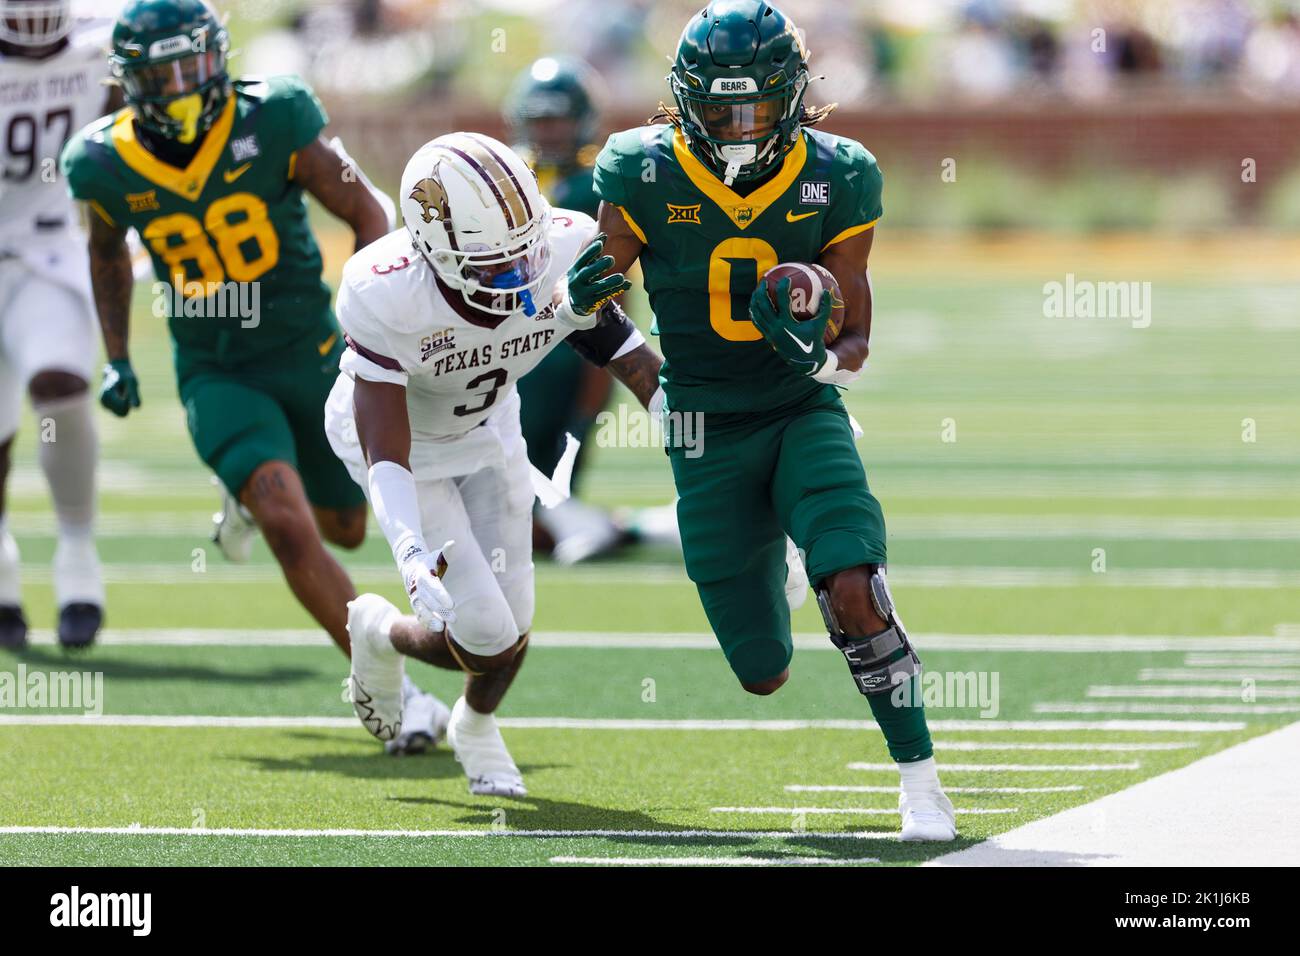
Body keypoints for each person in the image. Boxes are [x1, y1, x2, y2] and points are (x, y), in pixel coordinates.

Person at [590, 0, 957, 840]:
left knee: (854, 589)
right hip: (704, 430)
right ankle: (791, 564)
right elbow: (598, 310)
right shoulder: (640, 170)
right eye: (720, 108)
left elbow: (855, 336)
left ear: (792, 95)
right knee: (762, 673)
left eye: (755, 105)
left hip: (799, 408)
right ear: (684, 101)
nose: (738, 125)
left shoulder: (841, 173)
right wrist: (585, 313)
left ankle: (921, 781)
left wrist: (818, 356)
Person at [58, 0, 439, 752]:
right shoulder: (99, 161)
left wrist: (376, 316)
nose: (180, 85)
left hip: (314, 351)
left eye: (191, 63)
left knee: (347, 526)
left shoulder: (277, 116)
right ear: (129, 82)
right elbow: (107, 255)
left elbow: (369, 212)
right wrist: (119, 355)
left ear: (218, 56)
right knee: (292, 530)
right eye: (160, 73)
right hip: (218, 371)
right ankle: (396, 692)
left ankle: (244, 492)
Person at [327, 131, 663, 796]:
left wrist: (701, 439)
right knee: (481, 631)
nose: (522, 275)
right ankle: (379, 631)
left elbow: (629, 355)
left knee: (512, 626)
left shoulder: (564, 243)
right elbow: (384, 444)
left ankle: (476, 726)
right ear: (435, 251)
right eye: (497, 264)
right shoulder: (384, 292)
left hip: (489, 429)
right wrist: (407, 548)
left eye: (527, 253)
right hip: (408, 453)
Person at [0, 0, 117, 649]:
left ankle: (78, 564)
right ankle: (3, 576)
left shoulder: (101, 42)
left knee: (61, 390)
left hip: (47, 249)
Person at [504, 55, 625, 564]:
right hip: (503, 350)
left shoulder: (599, 180)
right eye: (540, 120)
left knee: (534, 510)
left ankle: (605, 528)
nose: (549, 131)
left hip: (569, 353)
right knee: (503, 507)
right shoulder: (504, 174)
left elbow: (616, 288)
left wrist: (605, 370)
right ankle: (615, 528)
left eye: (558, 119)